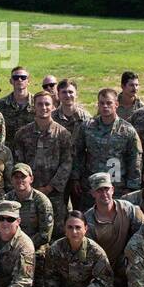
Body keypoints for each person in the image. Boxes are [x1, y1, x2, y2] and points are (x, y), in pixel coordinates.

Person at [84, 173, 144, 287]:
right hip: (100, 269)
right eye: (99, 190)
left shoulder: (129, 210)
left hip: (125, 264)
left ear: (112, 189)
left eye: (106, 189)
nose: (104, 193)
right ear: (92, 193)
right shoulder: (87, 221)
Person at [12, 91, 74, 230]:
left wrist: (49, 187)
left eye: (47, 104)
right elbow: (18, 162)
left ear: (53, 107)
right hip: (28, 193)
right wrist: (28, 186)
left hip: (54, 194)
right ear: (34, 106)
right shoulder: (22, 134)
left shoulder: (63, 134)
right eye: (40, 104)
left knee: (56, 230)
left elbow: (67, 163)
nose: (44, 107)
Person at [77, 86, 142, 206]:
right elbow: (78, 153)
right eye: (102, 103)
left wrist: (132, 186)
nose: (105, 106)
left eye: (109, 103)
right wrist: (76, 178)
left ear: (116, 104)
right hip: (92, 187)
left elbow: (135, 159)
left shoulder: (127, 130)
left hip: (116, 188)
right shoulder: (87, 127)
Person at [53, 79, 93, 211]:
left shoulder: (86, 118)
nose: (67, 95)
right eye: (64, 92)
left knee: (80, 210)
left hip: (80, 173)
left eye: (71, 92)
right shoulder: (52, 117)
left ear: (76, 94)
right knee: (58, 211)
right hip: (57, 172)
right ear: (58, 95)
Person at [3, 163, 54, 257]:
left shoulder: (42, 201)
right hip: (10, 246)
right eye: (16, 177)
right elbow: (1, 226)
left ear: (31, 179)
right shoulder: (6, 199)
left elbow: (45, 235)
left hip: (35, 247)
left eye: (23, 177)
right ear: (11, 180)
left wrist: (23, 245)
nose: (19, 180)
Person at [0, 65, 35, 139]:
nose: (19, 80)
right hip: (9, 149)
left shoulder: (39, 103)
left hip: (32, 148)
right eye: (16, 78)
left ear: (29, 81)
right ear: (11, 81)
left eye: (23, 77)